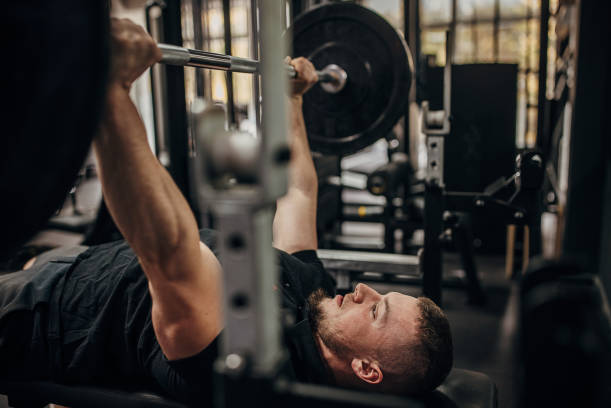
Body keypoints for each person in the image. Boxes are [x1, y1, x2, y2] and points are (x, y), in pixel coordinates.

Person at [0, 18, 452, 405]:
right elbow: (297, 193)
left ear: (366, 369)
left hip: (43, 314)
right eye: (379, 295)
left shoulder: (252, 362)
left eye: (377, 311)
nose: (362, 290)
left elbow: (169, 253)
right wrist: (293, 100)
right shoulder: (316, 302)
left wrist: (111, 90)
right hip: (74, 265)